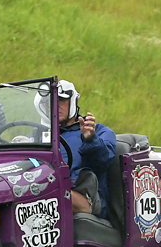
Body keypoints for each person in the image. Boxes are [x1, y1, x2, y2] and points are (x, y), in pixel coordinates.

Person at [42, 80, 116, 219]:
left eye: (61, 101)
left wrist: (90, 140)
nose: (55, 106)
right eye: (50, 102)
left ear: (73, 103)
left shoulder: (99, 131)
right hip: (47, 191)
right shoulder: (40, 135)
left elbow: (103, 162)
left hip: (87, 199)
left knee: (48, 194)